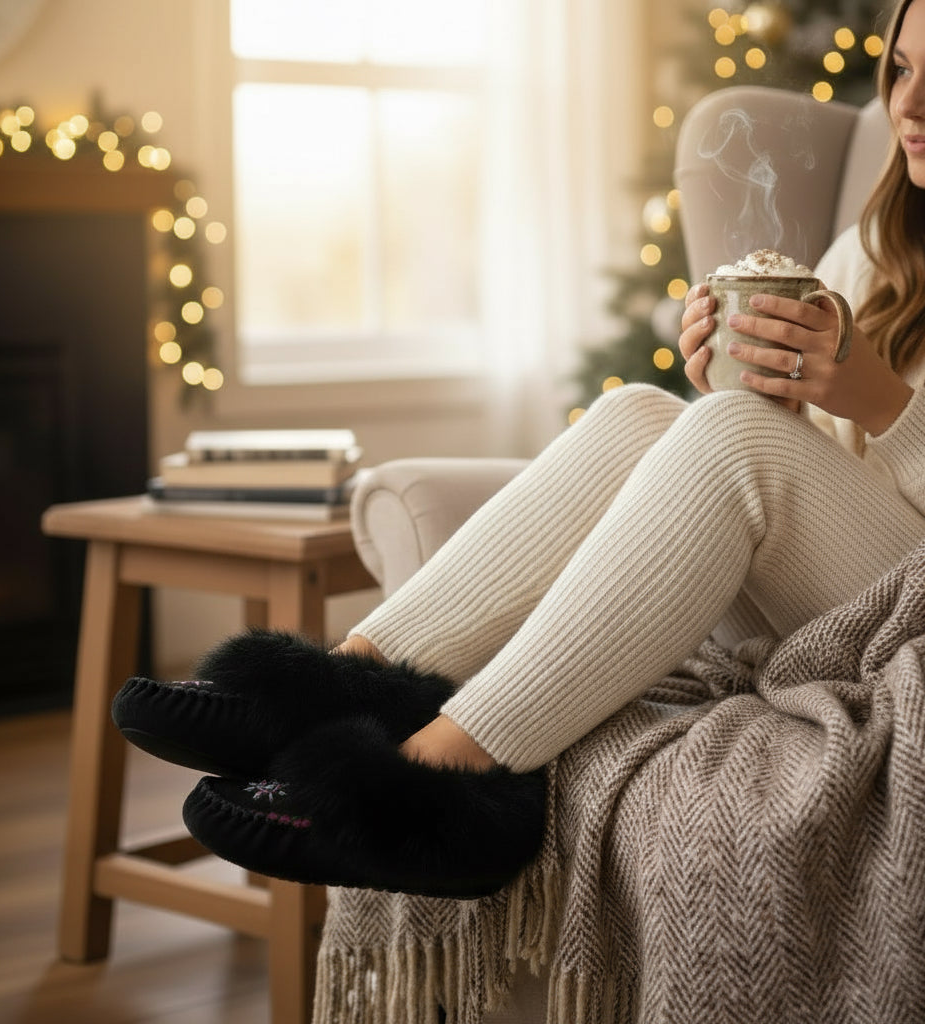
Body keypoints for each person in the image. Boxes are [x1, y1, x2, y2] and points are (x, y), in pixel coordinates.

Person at [116, 0, 925, 898]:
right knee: (641, 416)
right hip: (848, 586)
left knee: (725, 436)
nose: (910, 106)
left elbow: (858, 451)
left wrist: (880, 401)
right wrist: (746, 383)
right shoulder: (877, 245)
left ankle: (438, 783)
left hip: (911, 614)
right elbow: (822, 476)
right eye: (900, 70)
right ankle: (338, 685)